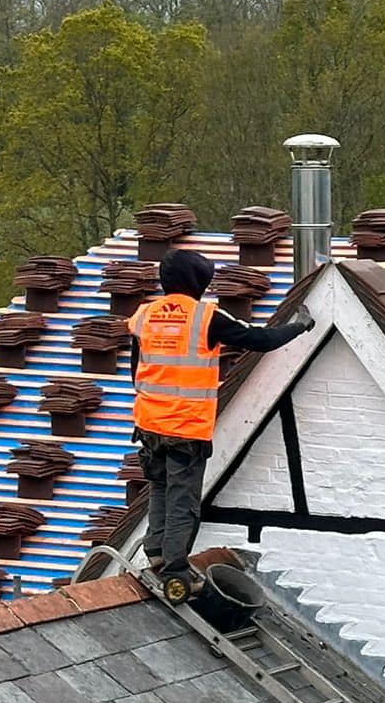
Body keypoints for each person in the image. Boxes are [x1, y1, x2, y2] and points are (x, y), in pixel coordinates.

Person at [128, 248, 313, 598]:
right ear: (197, 283)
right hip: (185, 429)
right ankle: (175, 572)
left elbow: (136, 370)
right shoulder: (205, 318)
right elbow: (259, 340)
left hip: (149, 424)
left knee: (161, 490)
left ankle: (154, 553)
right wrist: (299, 326)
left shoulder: (144, 316)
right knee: (184, 502)